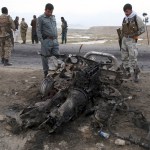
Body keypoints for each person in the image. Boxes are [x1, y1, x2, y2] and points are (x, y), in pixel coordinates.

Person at [121, 3, 145, 82]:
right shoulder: (125, 19)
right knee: (124, 57)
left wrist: (135, 35)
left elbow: (142, 29)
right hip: (124, 40)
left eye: (127, 11)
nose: (126, 13)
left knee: (132, 58)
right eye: (125, 12)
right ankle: (127, 73)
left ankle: (136, 74)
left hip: (131, 40)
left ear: (131, 10)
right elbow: (123, 30)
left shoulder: (136, 18)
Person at [37, 3, 59, 78]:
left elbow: (55, 28)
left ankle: (57, 73)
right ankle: (45, 74)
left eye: (51, 12)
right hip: (46, 41)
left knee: (57, 56)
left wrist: (56, 39)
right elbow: (38, 31)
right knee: (45, 57)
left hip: (55, 41)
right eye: (49, 11)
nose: (50, 13)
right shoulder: (40, 18)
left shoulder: (53, 17)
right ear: (45, 10)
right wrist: (42, 42)